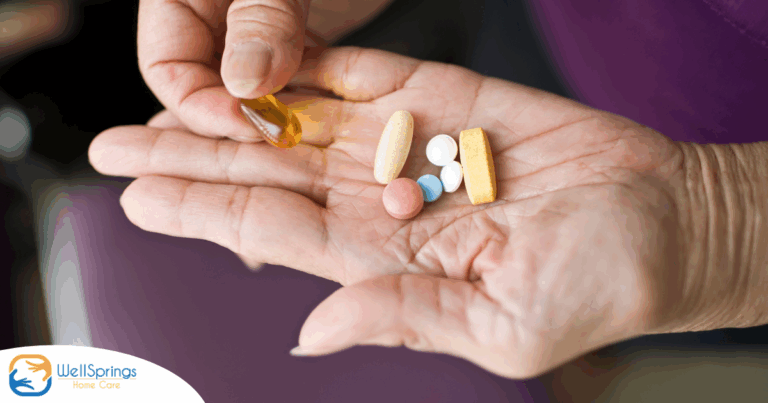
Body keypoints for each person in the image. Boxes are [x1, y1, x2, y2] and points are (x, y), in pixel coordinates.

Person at [88, 0, 768, 378]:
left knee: (628, 301)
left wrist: (717, 222)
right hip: (549, 62)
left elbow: (701, 230)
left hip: (732, 218)